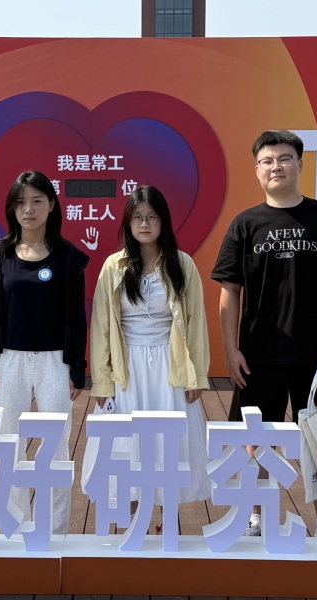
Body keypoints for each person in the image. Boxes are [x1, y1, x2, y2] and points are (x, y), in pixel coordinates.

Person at [211, 130, 317, 537]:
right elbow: (229, 292)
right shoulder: (245, 224)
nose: (275, 166)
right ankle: (257, 517)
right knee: (257, 438)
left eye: (284, 158)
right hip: (258, 355)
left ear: (300, 164)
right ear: (256, 170)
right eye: (267, 160)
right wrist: (230, 349)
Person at [89, 184, 211, 532]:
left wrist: (196, 376)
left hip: (170, 368)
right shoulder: (113, 266)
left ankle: (167, 529)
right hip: (127, 369)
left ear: (163, 221)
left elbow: (196, 323)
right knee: (127, 449)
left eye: (151, 217)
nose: (144, 224)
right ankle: (131, 529)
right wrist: (102, 381)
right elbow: (101, 327)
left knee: (167, 448)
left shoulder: (182, 264)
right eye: (137, 218)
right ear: (127, 223)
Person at [0, 170, 89, 535]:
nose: (28, 210)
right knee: (10, 441)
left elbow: (77, 316)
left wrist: (76, 367)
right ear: (11, 209)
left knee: (55, 445)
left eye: (37, 201)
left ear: (52, 205)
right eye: (21, 202)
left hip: (55, 362)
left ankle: (54, 530)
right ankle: (14, 525)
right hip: (10, 359)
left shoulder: (69, 257)